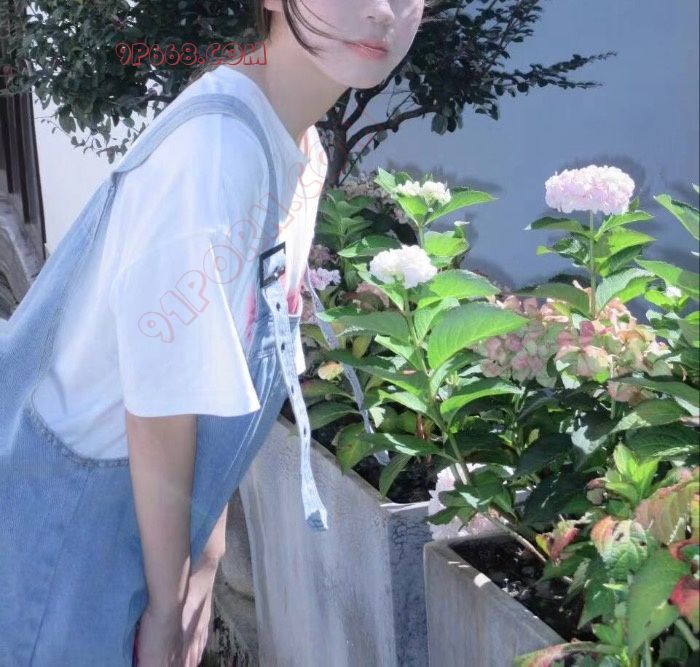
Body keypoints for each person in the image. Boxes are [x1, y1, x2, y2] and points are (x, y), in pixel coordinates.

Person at [0, 1, 429, 665]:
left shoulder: (297, 145)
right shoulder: (218, 153)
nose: (379, 10)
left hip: (139, 520)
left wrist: (208, 547)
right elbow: (161, 406)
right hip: (70, 541)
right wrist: (169, 603)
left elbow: (210, 381)